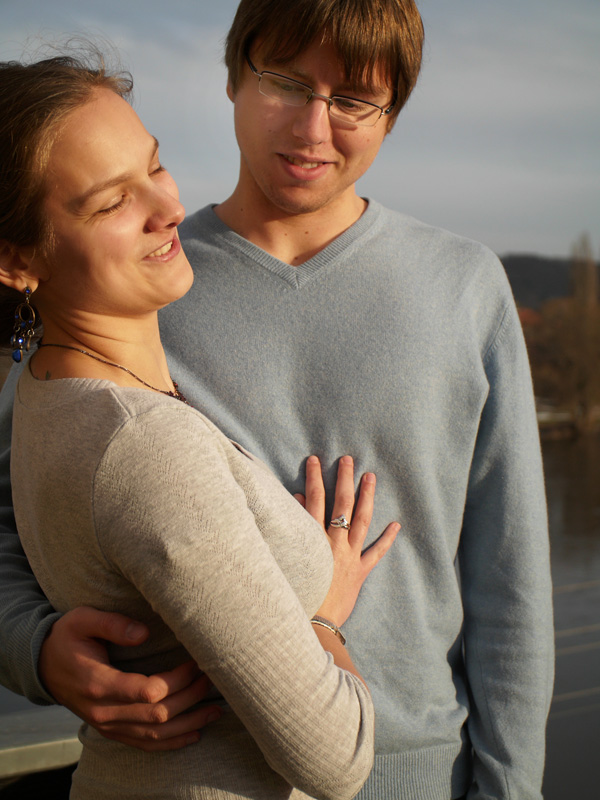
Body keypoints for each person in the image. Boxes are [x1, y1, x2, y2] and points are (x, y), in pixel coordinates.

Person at [0, 1, 554, 798]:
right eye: (286, 82)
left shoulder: (465, 289)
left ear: (392, 115)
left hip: (428, 775)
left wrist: (510, 789)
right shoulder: (128, 281)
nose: (313, 127)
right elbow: (14, 509)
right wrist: (38, 649)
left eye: (354, 99)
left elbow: (510, 586)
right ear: (233, 76)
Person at [0, 50, 401, 800]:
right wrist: (321, 617)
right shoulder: (144, 443)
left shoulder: (43, 391)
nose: (168, 207)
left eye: (153, 166)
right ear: (18, 259)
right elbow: (338, 760)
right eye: (110, 202)